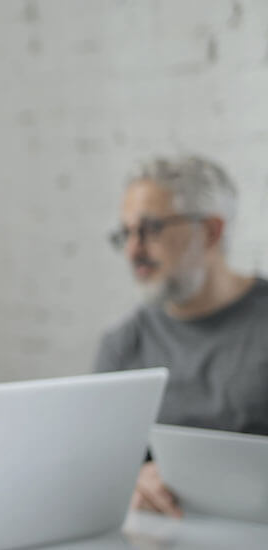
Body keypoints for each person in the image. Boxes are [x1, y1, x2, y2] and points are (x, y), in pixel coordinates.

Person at [94, 155, 268, 517]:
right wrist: (134, 480)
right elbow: (104, 466)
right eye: (126, 233)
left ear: (210, 231)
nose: (132, 250)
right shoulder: (124, 344)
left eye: (150, 229)